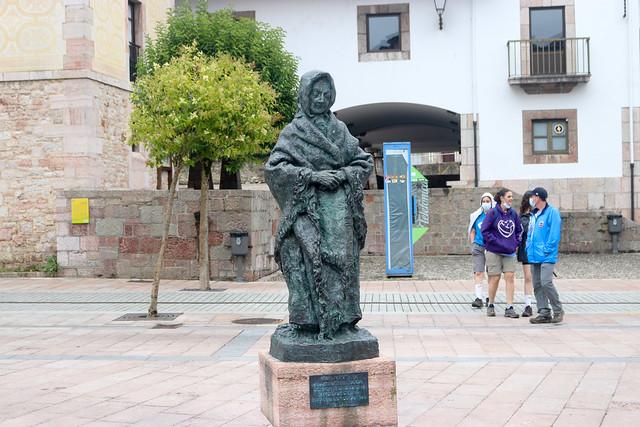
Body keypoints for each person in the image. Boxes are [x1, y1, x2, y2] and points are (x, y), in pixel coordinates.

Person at [265, 71, 374, 339]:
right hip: (307, 210)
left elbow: (363, 161)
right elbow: (274, 168)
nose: (321, 99)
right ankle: (307, 324)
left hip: (339, 210)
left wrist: (343, 175)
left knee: (344, 266)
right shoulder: (293, 132)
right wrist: (313, 177)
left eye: (327, 94)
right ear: (305, 95)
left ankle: (344, 322)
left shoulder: (339, 130)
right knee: (303, 259)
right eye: (316, 94)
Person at [481, 188, 522, 318]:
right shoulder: (492, 213)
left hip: (509, 252)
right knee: (495, 278)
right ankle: (491, 304)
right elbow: (485, 230)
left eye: (511, 196)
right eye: (509, 196)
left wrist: (515, 243)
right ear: (502, 198)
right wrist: (496, 242)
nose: (511, 199)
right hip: (494, 251)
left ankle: (509, 307)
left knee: (510, 277)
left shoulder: (513, 214)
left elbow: (519, 230)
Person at [526, 187, 564, 324]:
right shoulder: (533, 214)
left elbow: (554, 234)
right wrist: (527, 246)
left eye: (532, 196)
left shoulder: (552, 213)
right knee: (537, 284)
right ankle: (544, 312)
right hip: (533, 255)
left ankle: (558, 310)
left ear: (538, 197)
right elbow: (530, 233)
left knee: (546, 282)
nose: (531, 199)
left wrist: (547, 249)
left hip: (547, 255)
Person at [468, 192, 494, 308]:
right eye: (484, 201)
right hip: (478, 245)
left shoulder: (495, 215)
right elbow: (472, 230)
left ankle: (490, 296)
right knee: (478, 271)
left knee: (491, 273)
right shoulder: (476, 215)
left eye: (488, 201)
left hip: (491, 247)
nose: (485, 203)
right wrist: (473, 243)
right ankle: (478, 298)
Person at [517, 191, 534, 317]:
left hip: (539, 250)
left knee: (541, 279)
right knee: (528, 277)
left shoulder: (541, 214)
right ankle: (528, 305)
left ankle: (544, 304)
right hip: (527, 250)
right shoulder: (522, 217)